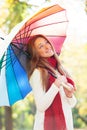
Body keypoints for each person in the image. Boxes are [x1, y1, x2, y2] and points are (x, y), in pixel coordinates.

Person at [27, 34, 77, 130]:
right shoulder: (37, 72)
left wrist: (69, 95)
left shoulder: (58, 70)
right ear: (35, 53)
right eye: (41, 46)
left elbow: (71, 104)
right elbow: (41, 106)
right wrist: (56, 85)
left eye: (47, 42)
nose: (47, 47)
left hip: (66, 125)